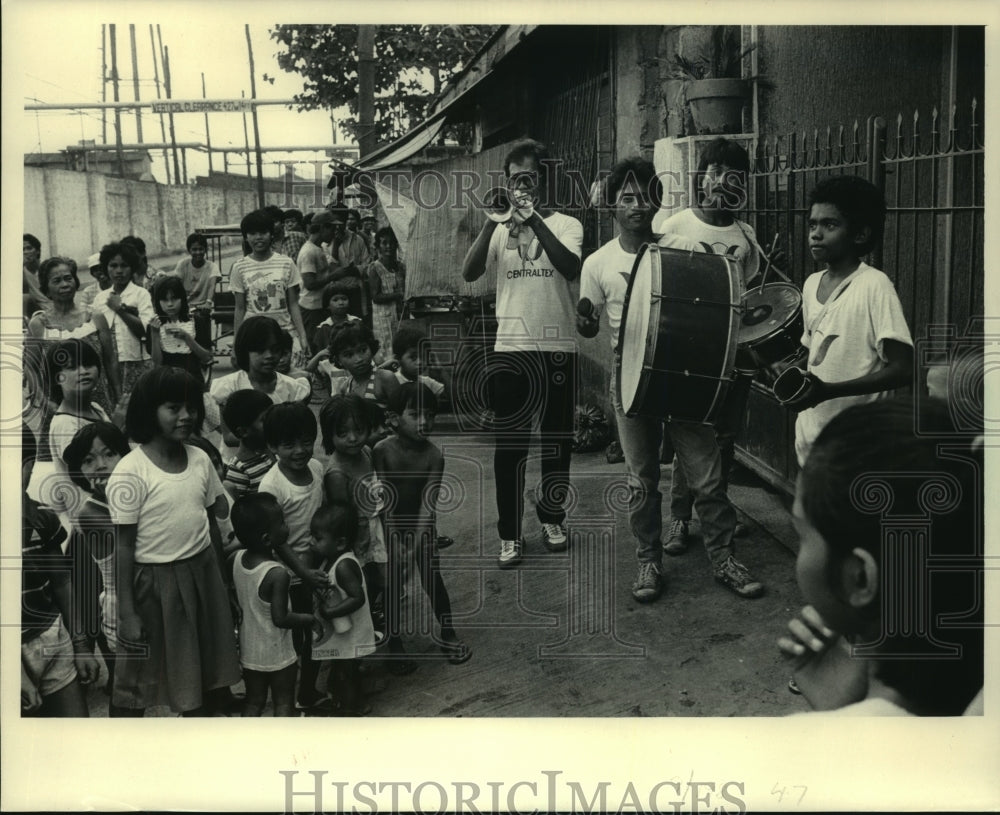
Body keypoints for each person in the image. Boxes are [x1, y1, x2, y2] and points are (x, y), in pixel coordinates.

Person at [578, 157, 763, 601]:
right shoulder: (597, 263)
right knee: (640, 479)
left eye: (645, 195)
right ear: (612, 206)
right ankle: (648, 561)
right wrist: (585, 322)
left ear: (658, 201)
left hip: (685, 372)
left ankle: (723, 558)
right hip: (629, 376)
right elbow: (589, 324)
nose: (637, 205)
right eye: (626, 198)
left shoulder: (682, 246)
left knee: (707, 474)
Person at [779, 399, 982, 715]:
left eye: (801, 533)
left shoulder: (801, 748)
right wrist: (849, 704)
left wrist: (841, 720)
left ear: (860, 577)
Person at [461, 138, 583, 567]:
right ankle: (510, 534)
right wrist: (491, 222)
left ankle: (552, 518)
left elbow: (570, 267)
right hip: (511, 348)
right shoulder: (500, 226)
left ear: (543, 179)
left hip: (556, 347)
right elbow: (470, 272)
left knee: (557, 443)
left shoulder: (567, 224)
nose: (522, 186)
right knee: (510, 448)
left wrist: (535, 221)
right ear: (508, 183)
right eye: (515, 180)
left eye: (529, 178)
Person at [105, 367, 241, 716]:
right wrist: (128, 611)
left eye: (191, 407)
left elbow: (209, 521)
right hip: (153, 584)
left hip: (203, 574)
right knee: (139, 678)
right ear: (149, 411)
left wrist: (223, 585)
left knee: (203, 662)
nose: (185, 416)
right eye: (172, 408)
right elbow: (122, 545)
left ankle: (202, 723)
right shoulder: (130, 471)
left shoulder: (199, 460)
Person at [659, 137, 764, 552]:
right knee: (691, 433)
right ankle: (679, 518)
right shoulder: (675, 226)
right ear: (700, 178)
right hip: (690, 352)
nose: (722, 181)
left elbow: (751, 293)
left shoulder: (745, 234)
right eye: (715, 171)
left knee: (724, 437)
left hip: (732, 352)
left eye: (733, 174)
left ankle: (716, 508)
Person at [782, 176, 913, 465]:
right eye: (812, 224)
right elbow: (813, 353)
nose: (816, 234)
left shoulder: (874, 285)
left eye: (830, 225)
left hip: (858, 445)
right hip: (810, 440)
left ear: (860, 234)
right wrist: (789, 369)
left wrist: (830, 391)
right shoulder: (811, 283)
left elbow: (903, 369)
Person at [373, 382, 471, 672]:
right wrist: (393, 540)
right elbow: (383, 499)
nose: (425, 422)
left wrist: (414, 543)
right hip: (387, 526)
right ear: (393, 419)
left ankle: (448, 632)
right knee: (391, 587)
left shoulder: (433, 456)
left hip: (422, 528)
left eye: (430, 415)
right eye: (415, 414)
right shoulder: (381, 451)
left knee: (432, 580)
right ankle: (394, 643)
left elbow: (428, 506)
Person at [21, 424, 101, 717]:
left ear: (28, 466)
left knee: (75, 731)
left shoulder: (42, 518)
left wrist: (81, 645)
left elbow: (62, 583)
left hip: (53, 640)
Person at [257, 402, 332, 710]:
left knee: (320, 631)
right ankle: (300, 694)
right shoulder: (272, 485)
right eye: (288, 445)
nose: (300, 450)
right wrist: (303, 572)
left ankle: (310, 689)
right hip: (292, 574)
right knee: (303, 634)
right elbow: (278, 541)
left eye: (306, 441)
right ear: (273, 446)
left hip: (318, 565)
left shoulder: (316, 468)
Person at [230, 492, 319, 717]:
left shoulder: (237, 560)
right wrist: (309, 619)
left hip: (250, 651)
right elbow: (281, 618)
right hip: (277, 653)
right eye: (282, 523)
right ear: (268, 539)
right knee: (283, 702)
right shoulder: (277, 573)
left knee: (254, 701)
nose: (286, 526)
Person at [63, 421, 132, 710]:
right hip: (123, 610)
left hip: (142, 601)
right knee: (127, 691)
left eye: (109, 454)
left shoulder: (127, 500)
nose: (101, 466)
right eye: (89, 460)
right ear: (79, 471)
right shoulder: (91, 513)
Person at [26, 340, 114, 522]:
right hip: (91, 515)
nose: (83, 371)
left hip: (109, 505)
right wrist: (119, 427)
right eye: (72, 367)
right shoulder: (65, 424)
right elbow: (91, 469)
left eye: (88, 364)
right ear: (58, 378)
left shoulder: (96, 408)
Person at [320, 394, 388, 629]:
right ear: (330, 435)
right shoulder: (337, 473)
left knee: (380, 580)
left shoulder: (366, 452)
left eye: (359, 430)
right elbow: (343, 518)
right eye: (342, 433)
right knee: (364, 583)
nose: (352, 438)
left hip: (374, 529)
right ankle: (366, 628)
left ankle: (374, 618)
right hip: (357, 538)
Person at [26, 256, 121, 415]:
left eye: (68, 278)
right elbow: (29, 368)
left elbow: (111, 361)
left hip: (98, 402)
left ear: (75, 282)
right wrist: (44, 402)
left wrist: (118, 397)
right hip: (59, 408)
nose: (64, 284)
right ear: (46, 289)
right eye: (56, 281)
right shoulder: (38, 325)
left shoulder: (95, 317)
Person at [309, 503, 379, 715]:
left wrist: (331, 612)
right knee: (344, 671)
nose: (311, 542)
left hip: (352, 632)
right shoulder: (330, 560)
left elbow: (358, 598)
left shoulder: (343, 566)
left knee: (346, 673)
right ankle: (354, 703)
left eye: (318, 538)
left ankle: (350, 710)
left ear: (340, 543)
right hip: (343, 632)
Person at [210, 316, 311, 447]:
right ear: (245, 351)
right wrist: (273, 438)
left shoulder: (292, 386)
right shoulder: (229, 386)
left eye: (275, 350)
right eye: (260, 350)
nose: (269, 356)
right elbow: (229, 437)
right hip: (240, 462)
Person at [229, 209, 309, 361]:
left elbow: (293, 304)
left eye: (263, 232)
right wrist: (236, 344)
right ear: (246, 237)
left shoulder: (287, 263)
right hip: (254, 337)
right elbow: (239, 308)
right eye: (252, 233)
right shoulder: (239, 267)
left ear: (271, 234)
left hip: (284, 334)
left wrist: (302, 337)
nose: (258, 238)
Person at [90, 241, 156, 404]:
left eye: (124, 266)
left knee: (140, 406)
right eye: (113, 265)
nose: (119, 271)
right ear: (106, 268)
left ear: (132, 268)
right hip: (110, 366)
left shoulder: (141, 294)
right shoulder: (100, 298)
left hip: (136, 362)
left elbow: (145, 330)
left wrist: (119, 309)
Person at [149, 275, 213, 384]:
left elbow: (207, 358)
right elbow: (157, 364)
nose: (170, 304)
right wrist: (155, 334)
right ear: (158, 302)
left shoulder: (196, 321)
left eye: (174, 299)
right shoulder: (155, 324)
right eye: (165, 300)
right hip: (166, 381)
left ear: (182, 299)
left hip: (192, 380)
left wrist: (187, 338)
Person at [297, 210, 345, 354]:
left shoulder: (320, 248)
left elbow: (328, 268)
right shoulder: (308, 252)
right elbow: (310, 284)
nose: (334, 232)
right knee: (315, 346)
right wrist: (334, 276)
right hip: (311, 308)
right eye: (332, 228)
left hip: (320, 305)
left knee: (324, 345)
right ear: (323, 227)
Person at [328, 321, 399, 408]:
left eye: (363, 350)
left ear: (371, 347)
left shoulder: (385, 378)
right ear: (338, 360)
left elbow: (403, 414)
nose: (359, 359)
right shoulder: (345, 387)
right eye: (349, 355)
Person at [221, 389, 276, 500]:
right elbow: (240, 511)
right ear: (243, 432)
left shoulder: (276, 450)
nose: (273, 421)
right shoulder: (239, 470)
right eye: (265, 419)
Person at [169, 232, 220, 350]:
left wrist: (208, 302)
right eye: (194, 249)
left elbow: (212, 285)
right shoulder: (183, 264)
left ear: (206, 249)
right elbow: (176, 284)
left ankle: (205, 351)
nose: (198, 252)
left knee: (201, 323)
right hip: (184, 305)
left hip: (202, 307)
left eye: (201, 249)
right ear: (189, 250)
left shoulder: (212, 266)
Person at [367, 226, 406, 355]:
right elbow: (375, 297)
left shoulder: (401, 267)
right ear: (378, 246)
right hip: (383, 318)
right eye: (384, 243)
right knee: (386, 350)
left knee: (401, 346)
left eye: (392, 243)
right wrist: (398, 295)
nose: (388, 246)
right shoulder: (375, 268)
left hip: (400, 315)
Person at [23, 233, 47, 318]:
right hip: (35, 310)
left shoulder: (47, 268)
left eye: (29, 248)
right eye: (22, 249)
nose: (25, 252)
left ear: (38, 251)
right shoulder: (21, 271)